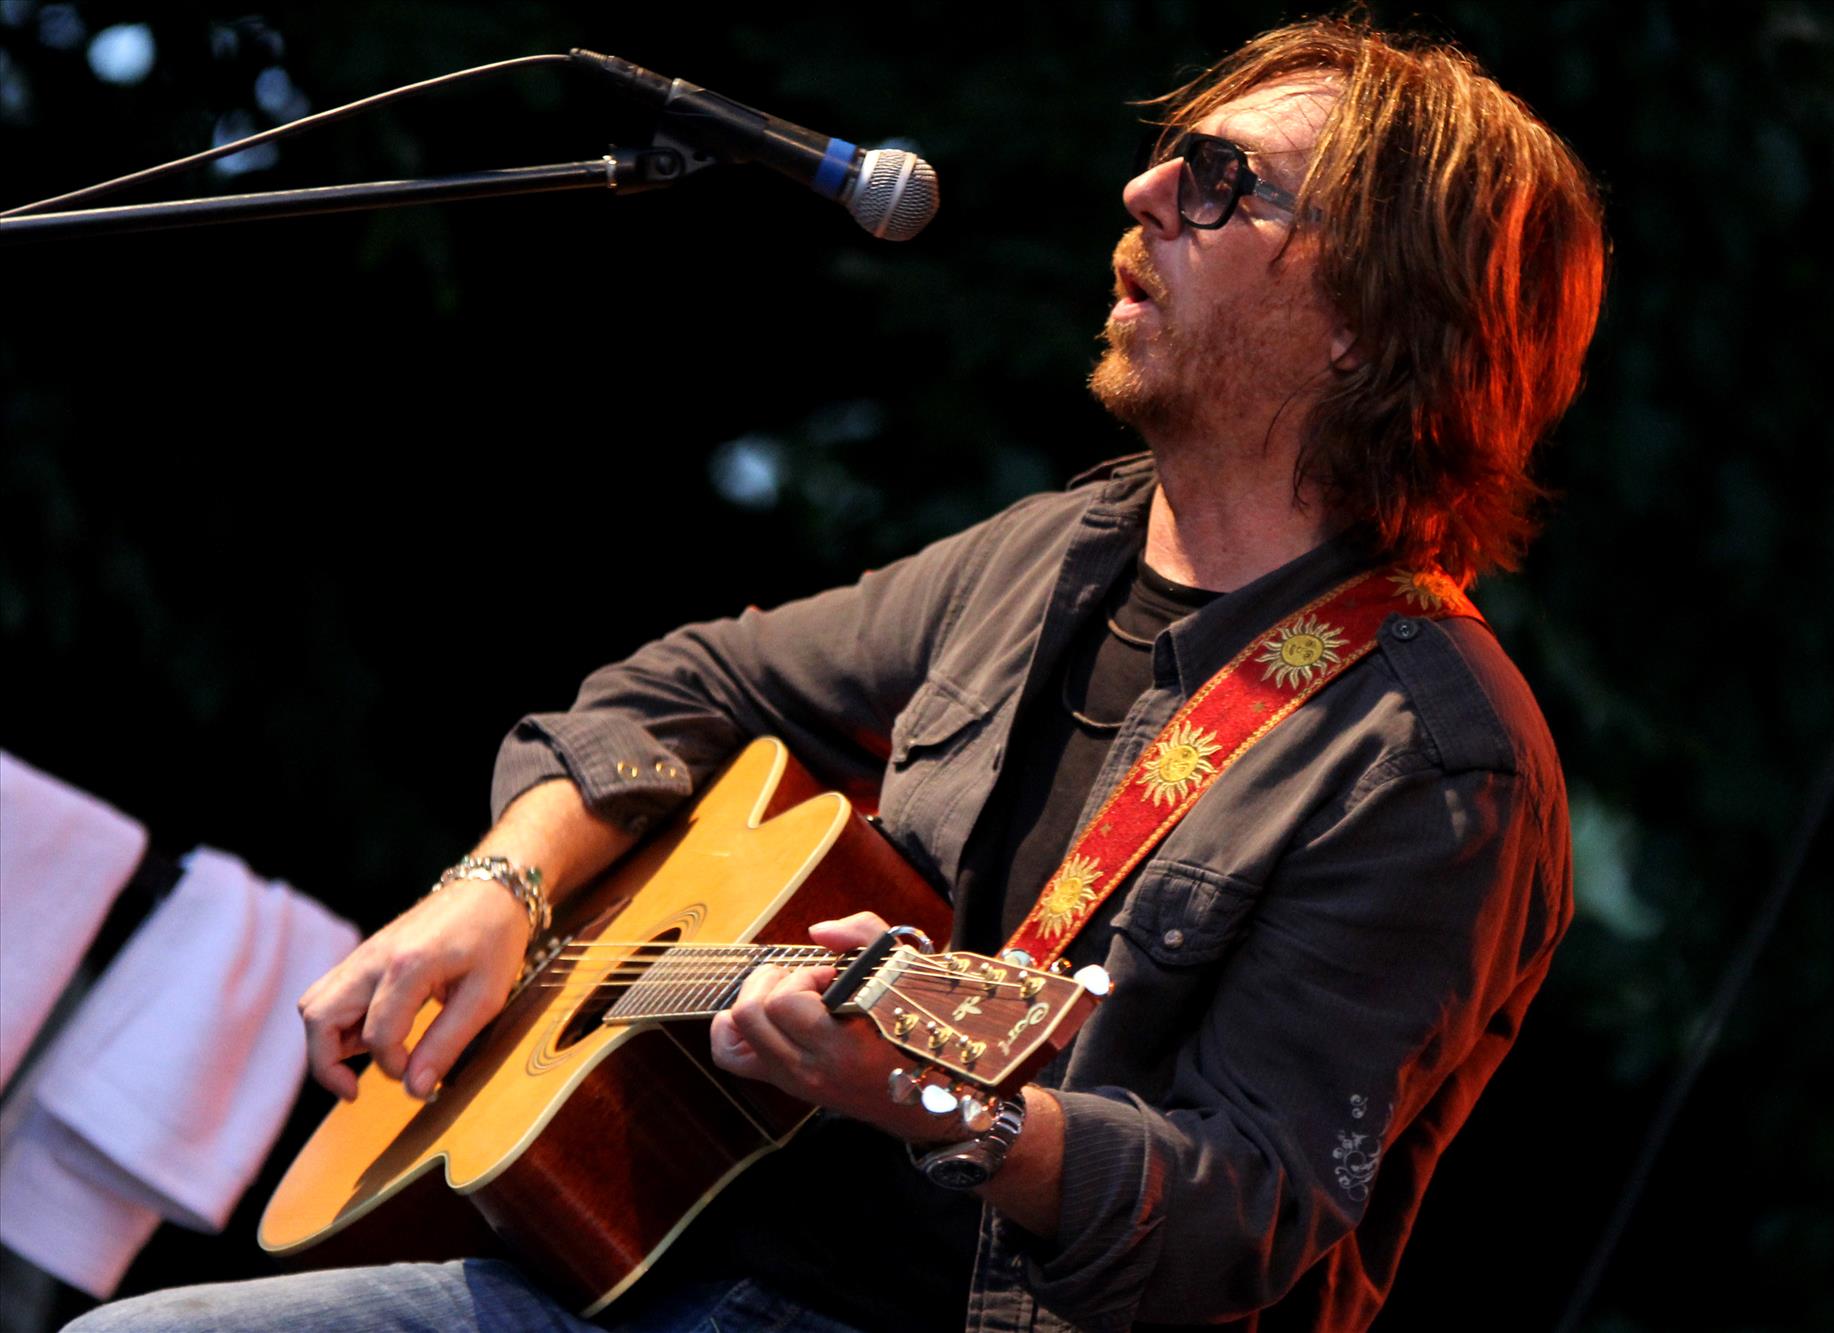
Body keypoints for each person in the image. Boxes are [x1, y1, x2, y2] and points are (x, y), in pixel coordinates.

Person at [67, 14, 1604, 1333]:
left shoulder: (1432, 758)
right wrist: (505, 889)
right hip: (670, 1265)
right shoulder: (1057, 550)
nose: (1141, 191)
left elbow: (1243, 1205)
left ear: (1368, 323)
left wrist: (929, 1095)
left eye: (1220, 181)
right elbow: (692, 681)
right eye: (1168, 158)